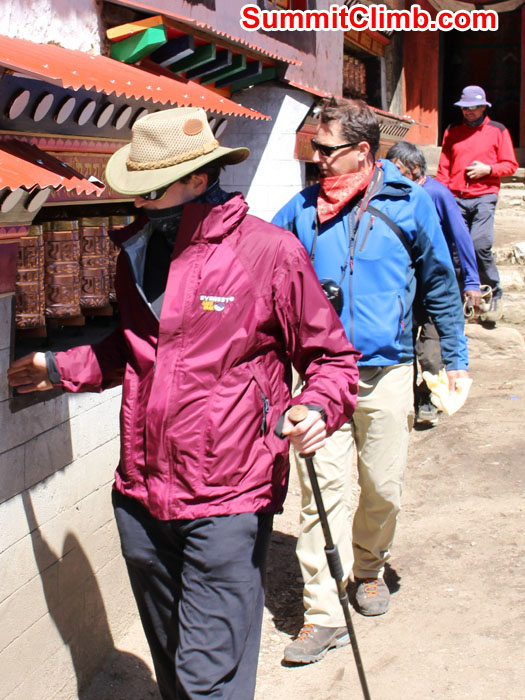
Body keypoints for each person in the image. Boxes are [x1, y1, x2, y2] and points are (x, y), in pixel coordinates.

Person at [7, 107, 361, 699]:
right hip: (141, 495)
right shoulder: (135, 253)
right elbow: (138, 350)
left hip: (228, 494)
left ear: (200, 178)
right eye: (136, 188)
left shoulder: (267, 253)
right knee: (175, 666)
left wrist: (317, 407)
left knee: (205, 680)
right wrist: (58, 366)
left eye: (152, 188)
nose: (140, 202)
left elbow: (332, 359)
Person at [272, 97, 469, 664]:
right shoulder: (302, 210)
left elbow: (439, 283)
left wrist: (451, 359)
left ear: (362, 151)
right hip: (319, 378)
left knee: (383, 487)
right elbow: (256, 255)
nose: (317, 161)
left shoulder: (409, 205)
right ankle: (321, 615)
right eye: (313, 148)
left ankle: (369, 567)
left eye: (326, 150)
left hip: (386, 372)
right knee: (319, 496)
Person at [386, 140, 481, 427]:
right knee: (401, 347)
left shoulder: (436, 194)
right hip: (403, 286)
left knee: (429, 352)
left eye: (399, 170)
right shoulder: (388, 196)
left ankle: (426, 398)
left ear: (415, 170)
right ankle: (408, 400)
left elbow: (461, 236)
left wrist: (472, 280)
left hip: (435, 285)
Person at [436, 85, 518, 325]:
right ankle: (464, 296)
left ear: (484, 107)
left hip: (484, 195)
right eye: (465, 108)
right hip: (456, 197)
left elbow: (510, 165)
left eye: (473, 108)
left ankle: (493, 291)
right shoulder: (452, 130)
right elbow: (444, 167)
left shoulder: (498, 131)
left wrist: (488, 169)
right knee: (455, 249)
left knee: (479, 243)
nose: (469, 112)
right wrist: (442, 194)